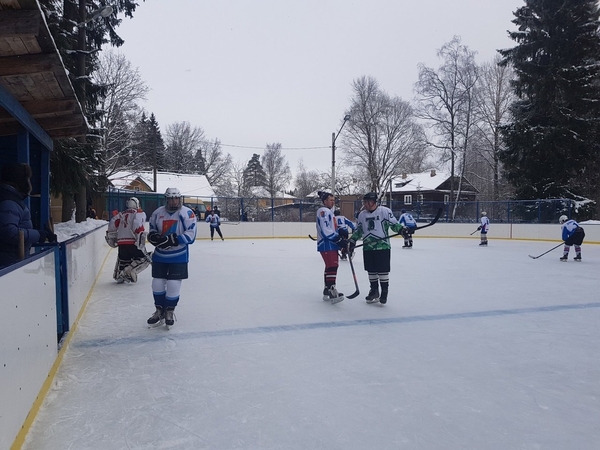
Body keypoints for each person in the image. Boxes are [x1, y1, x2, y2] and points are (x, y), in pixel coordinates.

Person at [146, 188, 197, 327]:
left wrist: (173, 240)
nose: (174, 201)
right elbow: (152, 231)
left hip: (178, 255)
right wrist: (153, 237)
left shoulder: (187, 213)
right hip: (160, 255)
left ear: (180, 198)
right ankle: (159, 310)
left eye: (176, 198)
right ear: (166, 199)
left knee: (173, 284)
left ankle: (169, 310)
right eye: (171, 198)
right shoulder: (158, 213)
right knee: (156, 282)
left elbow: (191, 235)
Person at [349, 192, 403, 305]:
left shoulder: (385, 211)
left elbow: (394, 225)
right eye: (365, 202)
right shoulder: (362, 215)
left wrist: (403, 230)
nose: (365, 204)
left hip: (382, 246)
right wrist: (353, 240)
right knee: (371, 270)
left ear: (374, 202)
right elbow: (359, 230)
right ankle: (374, 291)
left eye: (368, 202)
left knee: (383, 270)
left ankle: (384, 292)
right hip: (368, 247)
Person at [0, 163, 57, 268]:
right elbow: (9, 233)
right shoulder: (9, 202)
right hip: (9, 263)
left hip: (11, 261)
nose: (30, 183)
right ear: (19, 180)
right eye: (28, 179)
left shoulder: (12, 199)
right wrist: (39, 235)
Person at [105, 197, 151, 284]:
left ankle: (120, 274)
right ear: (137, 204)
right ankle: (129, 271)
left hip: (121, 243)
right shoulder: (139, 213)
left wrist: (112, 236)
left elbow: (112, 225)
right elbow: (137, 225)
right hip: (133, 242)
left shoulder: (121, 214)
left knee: (124, 260)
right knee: (144, 259)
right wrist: (139, 235)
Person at [316, 191, 345, 303]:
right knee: (333, 266)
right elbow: (326, 230)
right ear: (324, 201)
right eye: (330, 200)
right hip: (327, 242)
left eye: (334, 200)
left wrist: (340, 234)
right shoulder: (323, 211)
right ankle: (332, 291)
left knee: (330, 266)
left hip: (330, 242)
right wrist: (338, 239)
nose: (333, 202)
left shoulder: (330, 212)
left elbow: (332, 228)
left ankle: (327, 289)